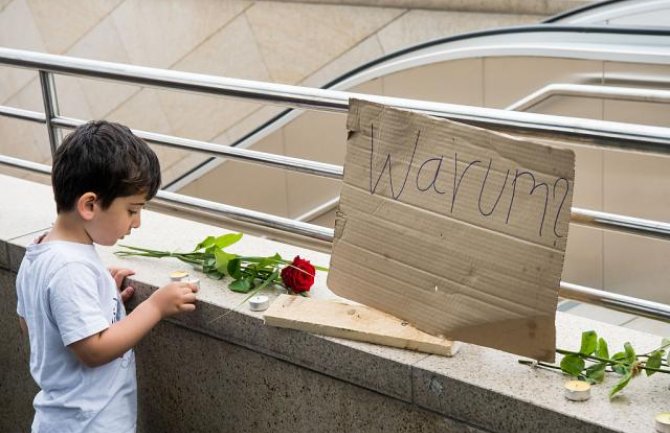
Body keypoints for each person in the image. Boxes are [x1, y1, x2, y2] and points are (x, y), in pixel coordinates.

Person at [15, 121, 198, 433]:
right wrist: (154, 307)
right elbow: (93, 350)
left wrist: (99, 302)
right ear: (89, 205)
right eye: (132, 210)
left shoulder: (41, 253)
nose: (137, 222)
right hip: (89, 423)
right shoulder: (70, 267)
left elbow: (31, 322)